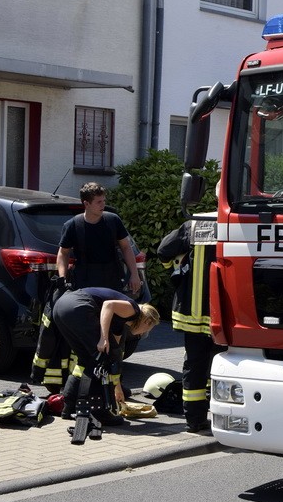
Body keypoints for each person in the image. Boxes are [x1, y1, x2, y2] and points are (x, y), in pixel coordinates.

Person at [55, 287, 159, 424]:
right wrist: (103, 338)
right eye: (147, 330)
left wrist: (118, 388)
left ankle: (68, 407)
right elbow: (108, 305)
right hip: (78, 307)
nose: (142, 334)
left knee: (86, 361)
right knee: (102, 361)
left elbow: (115, 355)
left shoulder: (120, 322)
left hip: (62, 307)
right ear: (147, 321)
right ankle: (101, 412)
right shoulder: (133, 310)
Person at [157, 218, 223, 433]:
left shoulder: (196, 225)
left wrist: (179, 267)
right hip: (227, 317)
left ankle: (195, 421)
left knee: (195, 365)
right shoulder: (243, 222)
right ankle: (227, 417)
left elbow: (164, 250)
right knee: (227, 366)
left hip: (193, 314)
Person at [57, 181, 142, 295]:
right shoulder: (73, 225)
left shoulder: (113, 220)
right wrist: (62, 278)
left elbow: (126, 247)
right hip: (84, 283)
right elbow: (63, 253)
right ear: (86, 204)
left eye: (104, 201)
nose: (103, 205)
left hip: (112, 280)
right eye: (98, 202)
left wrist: (134, 275)